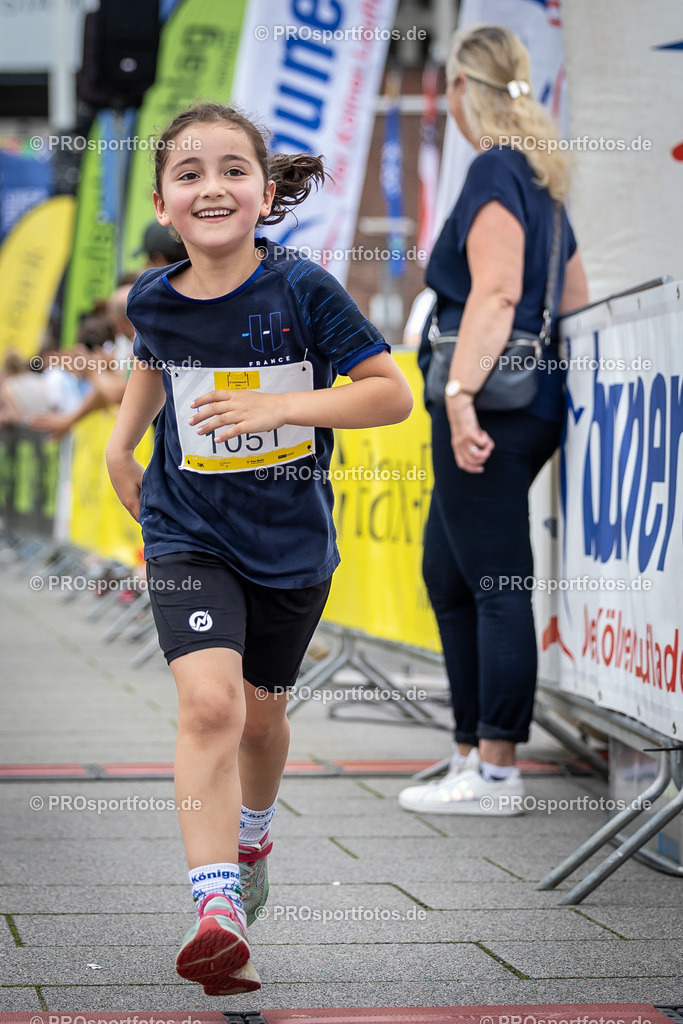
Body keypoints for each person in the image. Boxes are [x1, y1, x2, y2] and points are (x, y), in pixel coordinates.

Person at [105, 102, 413, 996]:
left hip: (287, 542)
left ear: (266, 190)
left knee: (262, 718)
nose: (212, 186)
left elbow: (388, 396)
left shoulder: (301, 289)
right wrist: (124, 446)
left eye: (233, 169)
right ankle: (216, 908)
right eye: (189, 173)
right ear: (163, 203)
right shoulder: (151, 297)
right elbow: (155, 361)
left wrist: (281, 407)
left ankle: (252, 837)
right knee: (209, 708)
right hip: (185, 527)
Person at [398, 26, 588, 817]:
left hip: (489, 402)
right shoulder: (540, 182)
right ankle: (470, 752)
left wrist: (460, 393)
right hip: (529, 400)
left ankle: (498, 769)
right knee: (450, 574)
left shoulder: (490, 170)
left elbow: (498, 292)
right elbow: (573, 301)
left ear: (461, 94)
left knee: (496, 579)